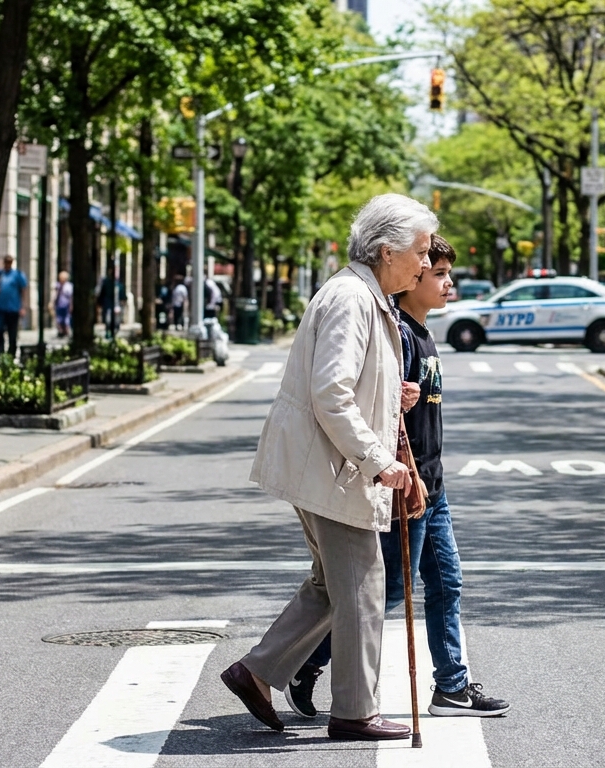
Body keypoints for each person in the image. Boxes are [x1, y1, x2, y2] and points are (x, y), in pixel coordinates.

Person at [221, 193, 435, 741]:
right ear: (387, 252)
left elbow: (350, 386)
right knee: (363, 583)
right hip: (336, 470)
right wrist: (380, 461)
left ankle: (257, 671)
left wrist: (396, 397)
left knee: (330, 583)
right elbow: (331, 394)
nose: (427, 264)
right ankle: (355, 711)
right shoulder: (351, 297)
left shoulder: (367, 295)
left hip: (332, 467)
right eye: (420, 252)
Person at [286, 235, 509, 720]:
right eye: (436, 272)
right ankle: (306, 662)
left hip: (433, 483)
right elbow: (382, 414)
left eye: (445, 271)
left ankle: (451, 685)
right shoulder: (399, 334)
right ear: (410, 282)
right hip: (405, 485)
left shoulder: (425, 334)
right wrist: (400, 472)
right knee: (384, 593)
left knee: (446, 582)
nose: (446, 281)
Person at [0, 254, 27, 357]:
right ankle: (0, 353)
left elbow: (23, 290)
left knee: (12, 333)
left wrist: (22, 306)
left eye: (9, 262)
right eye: (6, 261)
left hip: (13, 308)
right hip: (0, 308)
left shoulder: (18, 275)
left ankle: (11, 354)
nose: (7, 264)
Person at [99, 264, 122, 339]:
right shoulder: (106, 282)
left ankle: (113, 332)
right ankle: (108, 332)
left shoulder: (118, 283)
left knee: (116, 320)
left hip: (116, 304)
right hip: (108, 303)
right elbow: (102, 292)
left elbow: (121, 294)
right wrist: (100, 302)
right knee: (108, 319)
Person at [51, 270, 73, 338]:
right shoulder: (57, 285)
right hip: (58, 305)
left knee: (66, 319)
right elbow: (54, 295)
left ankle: (66, 331)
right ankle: (60, 331)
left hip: (66, 305)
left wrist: (71, 305)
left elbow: (71, 297)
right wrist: (52, 302)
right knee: (58, 319)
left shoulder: (69, 286)